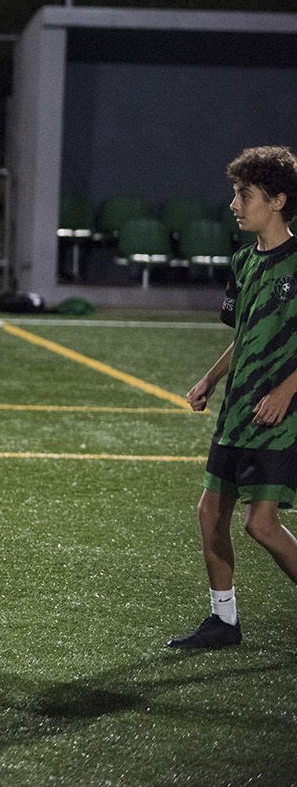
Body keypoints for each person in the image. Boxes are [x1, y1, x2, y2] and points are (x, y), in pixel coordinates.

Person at [170, 145, 297, 650]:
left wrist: (286, 389)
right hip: (238, 410)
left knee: (261, 525)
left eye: (245, 195)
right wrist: (210, 379)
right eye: (235, 194)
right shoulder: (244, 261)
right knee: (209, 512)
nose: (234, 204)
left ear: (279, 200)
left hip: (279, 414)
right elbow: (243, 333)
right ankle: (223, 621)